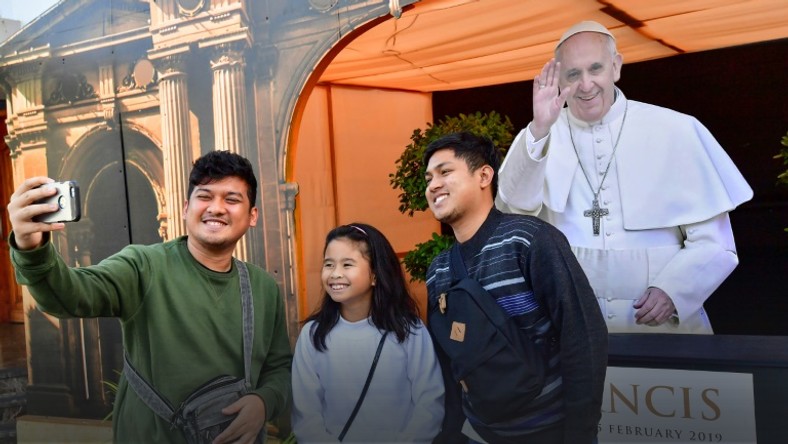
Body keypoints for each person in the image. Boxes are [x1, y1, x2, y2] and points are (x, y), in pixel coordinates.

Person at [7, 150, 292, 443]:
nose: (216, 208)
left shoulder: (262, 287)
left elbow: (279, 368)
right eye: (204, 196)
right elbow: (67, 295)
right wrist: (30, 246)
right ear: (185, 208)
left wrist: (263, 402)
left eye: (231, 199)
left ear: (252, 215)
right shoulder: (144, 266)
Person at [496, 20, 753, 334]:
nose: (586, 84)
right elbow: (511, 215)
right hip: (573, 330)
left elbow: (716, 244)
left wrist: (674, 290)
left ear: (615, 67)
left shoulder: (675, 130)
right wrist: (539, 129)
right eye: (573, 74)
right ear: (560, 78)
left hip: (662, 329)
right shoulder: (540, 135)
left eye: (595, 69)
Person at [424, 132, 607, 444]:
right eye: (428, 179)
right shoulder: (438, 270)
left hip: (549, 433)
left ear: (484, 175)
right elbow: (450, 361)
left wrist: (579, 436)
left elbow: (583, 337)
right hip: (479, 434)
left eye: (445, 172)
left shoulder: (530, 240)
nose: (433, 185)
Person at [291, 223, 445, 443]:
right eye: (328, 264)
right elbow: (306, 415)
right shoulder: (312, 336)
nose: (335, 274)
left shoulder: (409, 330)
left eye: (347, 264)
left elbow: (430, 402)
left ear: (374, 275)